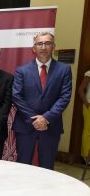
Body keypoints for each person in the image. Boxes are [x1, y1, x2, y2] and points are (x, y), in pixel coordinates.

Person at [12, 32, 72, 169]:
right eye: (40, 43)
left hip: (51, 126)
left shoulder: (64, 70)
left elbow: (65, 97)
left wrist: (46, 118)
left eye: (47, 43)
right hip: (26, 125)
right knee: (22, 166)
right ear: (34, 48)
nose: (43, 47)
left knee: (47, 167)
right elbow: (16, 96)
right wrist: (35, 119)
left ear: (53, 47)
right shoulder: (22, 70)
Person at [77, 69, 90, 158]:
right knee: (88, 131)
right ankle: (86, 157)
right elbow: (81, 89)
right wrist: (87, 103)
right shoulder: (89, 73)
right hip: (89, 106)